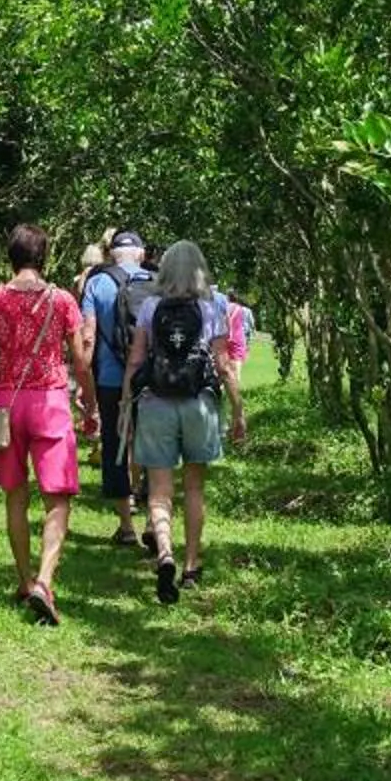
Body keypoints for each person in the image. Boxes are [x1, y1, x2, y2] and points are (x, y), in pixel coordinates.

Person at [0, 223, 100, 625]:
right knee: (58, 498)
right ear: (43, 256)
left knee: (15, 495)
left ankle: (24, 578)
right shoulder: (63, 300)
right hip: (50, 402)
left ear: (10, 256)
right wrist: (91, 406)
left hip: (6, 405)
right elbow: (80, 362)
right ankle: (44, 582)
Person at [119, 238, 247, 604]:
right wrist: (238, 409)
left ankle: (165, 553)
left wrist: (127, 402)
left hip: (157, 403)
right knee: (193, 488)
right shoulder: (212, 308)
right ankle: (191, 566)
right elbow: (223, 365)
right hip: (199, 404)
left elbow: (136, 359)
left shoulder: (150, 306)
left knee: (159, 491)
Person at [81, 227, 157, 550]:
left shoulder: (97, 282)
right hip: (151, 380)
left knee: (114, 446)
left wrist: (85, 390)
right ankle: (155, 521)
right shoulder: (157, 284)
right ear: (141, 254)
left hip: (110, 380)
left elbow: (87, 337)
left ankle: (125, 526)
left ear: (111, 254)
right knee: (155, 445)